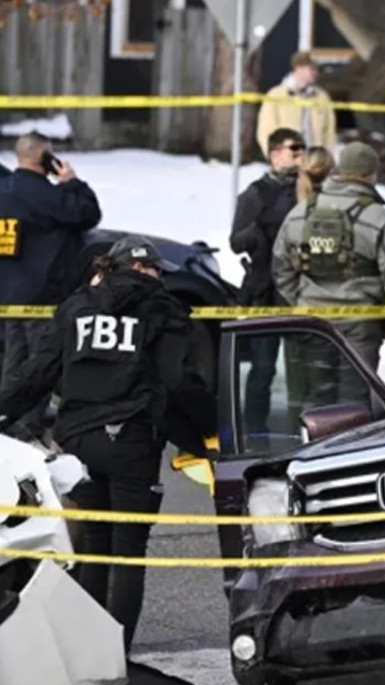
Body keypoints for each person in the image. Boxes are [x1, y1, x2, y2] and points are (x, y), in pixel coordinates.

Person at [0, 236, 217, 656]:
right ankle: (116, 660)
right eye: (156, 270)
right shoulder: (161, 311)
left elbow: (36, 375)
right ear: (140, 270)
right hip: (131, 442)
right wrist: (210, 431)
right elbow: (178, 383)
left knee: (93, 545)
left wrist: (2, 414)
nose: (160, 277)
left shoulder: (76, 307)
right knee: (129, 554)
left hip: (78, 442)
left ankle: (86, 653)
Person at [273, 141, 385, 407]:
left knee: (318, 403)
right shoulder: (378, 217)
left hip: (313, 322)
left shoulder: (301, 212)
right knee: (356, 402)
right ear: (372, 174)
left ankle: (319, 448)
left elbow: (280, 266)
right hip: (361, 323)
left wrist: (301, 302)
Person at [0, 131, 102, 440]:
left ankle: (6, 423)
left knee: (14, 364)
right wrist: (71, 180)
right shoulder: (46, 195)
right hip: (42, 298)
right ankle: (26, 432)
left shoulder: (5, 191)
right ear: (46, 159)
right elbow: (87, 213)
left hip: (9, 298)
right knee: (40, 368)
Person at [230, 127, 304, 441]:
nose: (300, 155)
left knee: (302, 371)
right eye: (294, 150)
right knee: (263, 367)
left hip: (299, 290)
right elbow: (236, 241)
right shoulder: (255, 194)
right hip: (264, 290)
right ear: (274, 154)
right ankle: (253, 431)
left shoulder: (308, 190)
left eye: (303, 150)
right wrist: (259, 229)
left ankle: (303, 428)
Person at [256, 51, 337, 159]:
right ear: (298, 68)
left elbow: (329, 133)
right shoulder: (276, 95)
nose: (315, 72)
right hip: (286, 161)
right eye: (311, 68)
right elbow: (265, 130)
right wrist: (275, 157)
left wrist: (326, 159)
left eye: (316, 69)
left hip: (314, 162)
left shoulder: (322, 97)